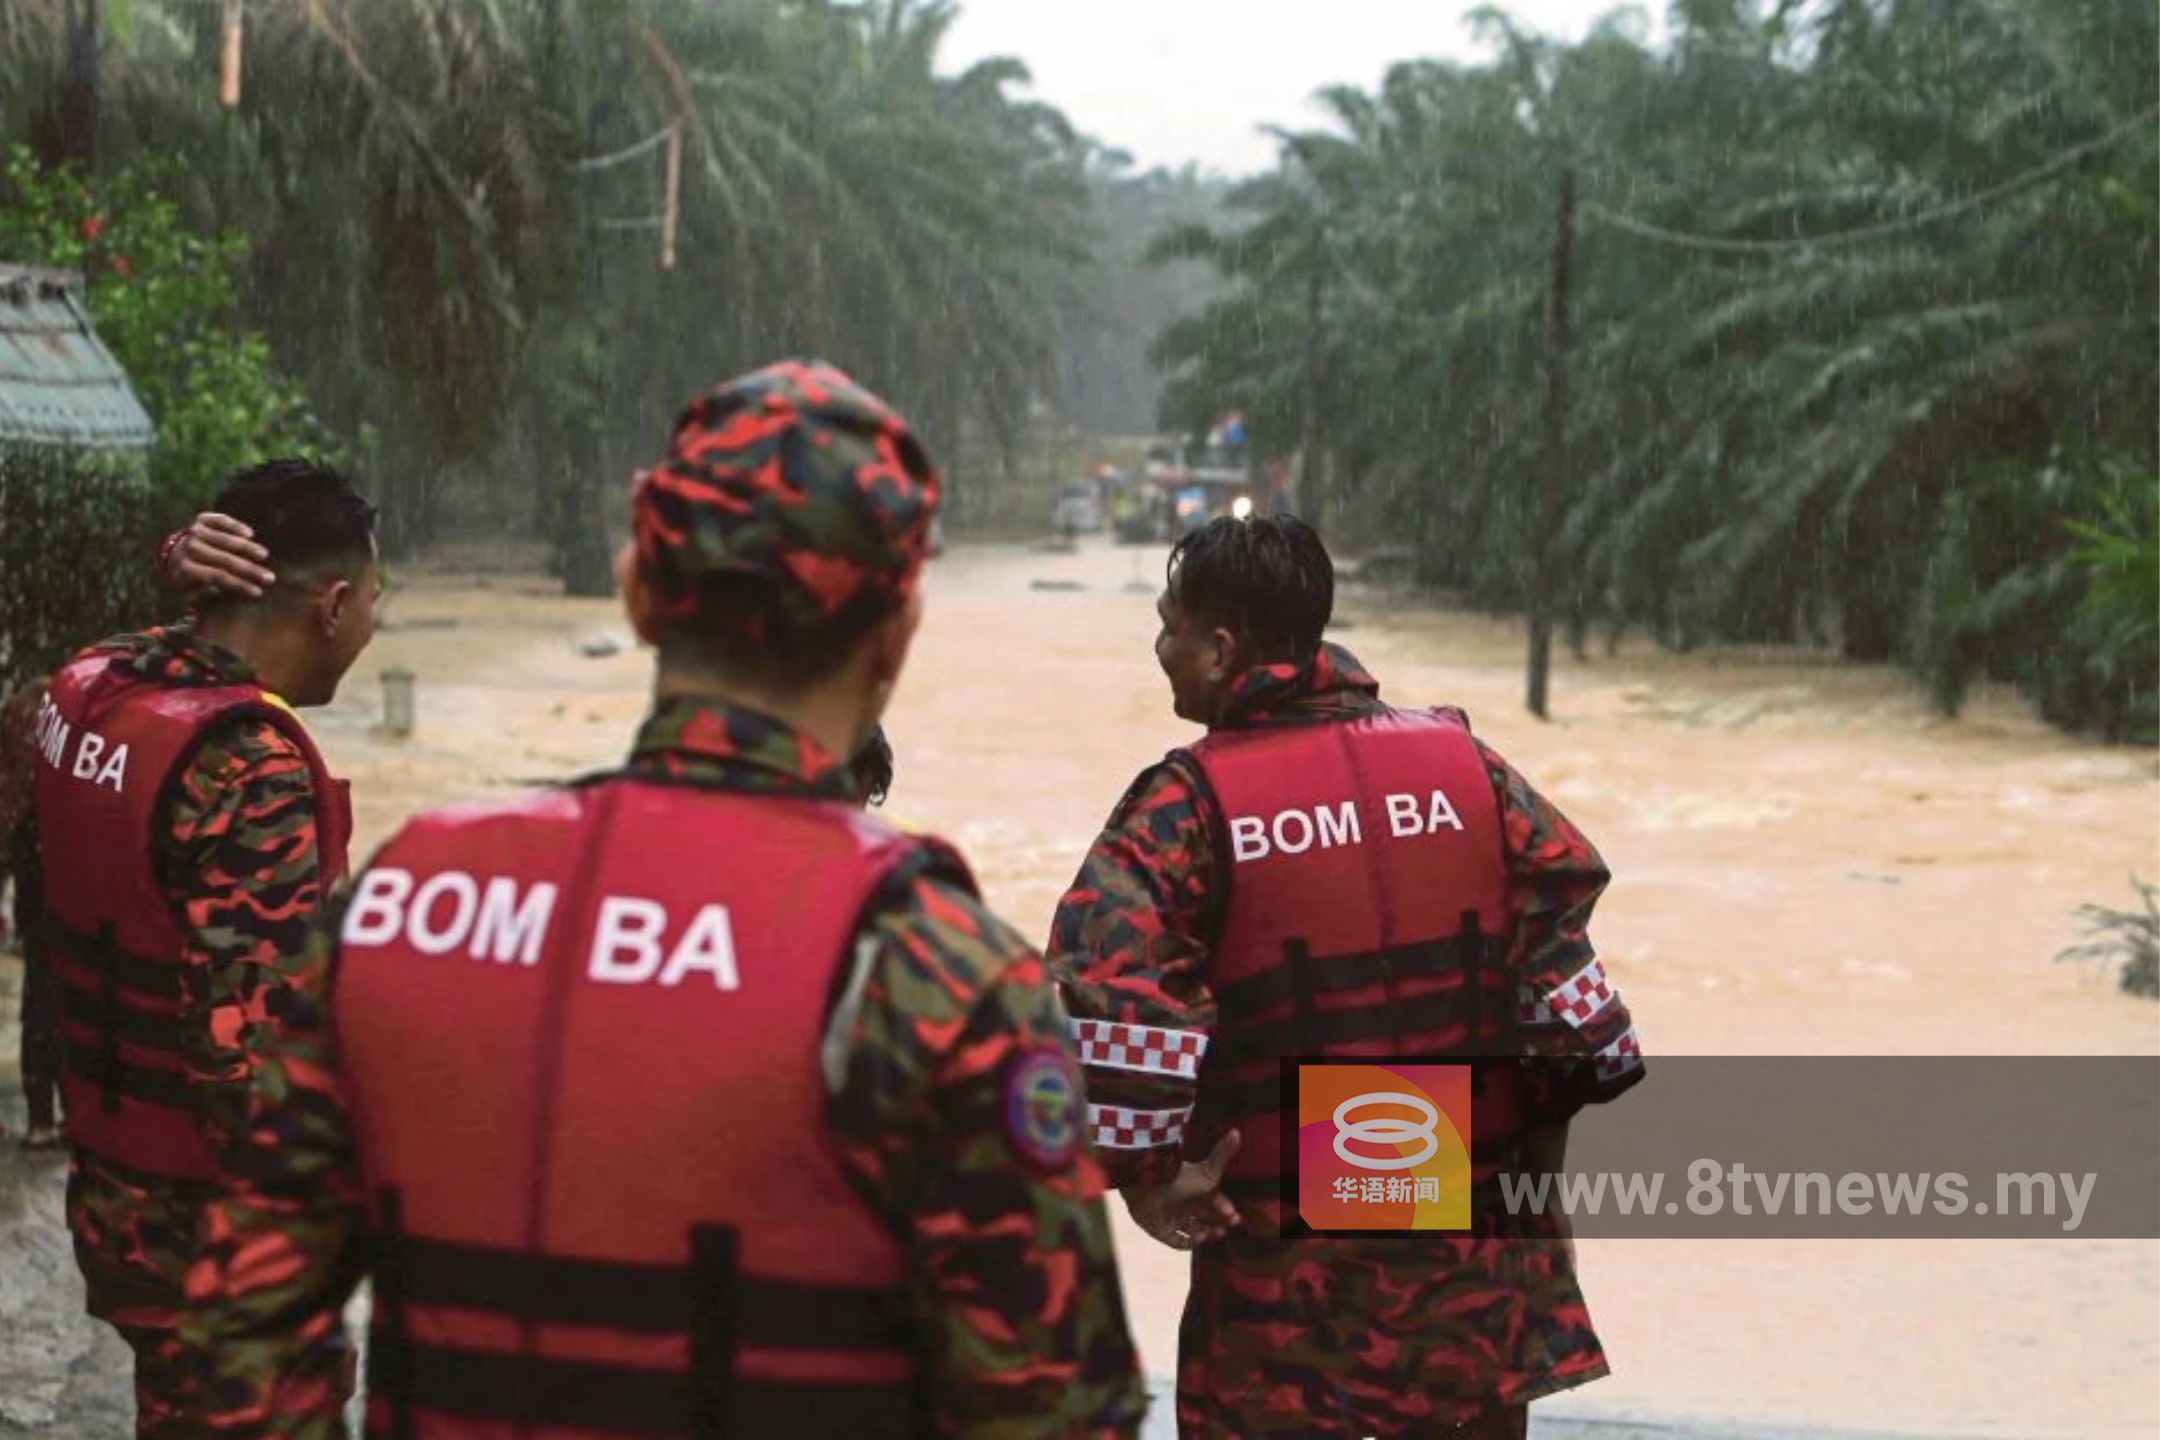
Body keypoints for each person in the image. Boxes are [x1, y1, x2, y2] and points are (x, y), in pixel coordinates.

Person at [190, 360, 1147, 1438]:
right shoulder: (939, 978)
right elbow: (1062, 1415)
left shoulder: (398, 906)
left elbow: (231, 1353)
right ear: (896, 635)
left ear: (638, 593)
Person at [1048, 514, 1644, 1440]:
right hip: (1464, 1245)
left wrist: (1148, 1178)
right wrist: (1539, 1191)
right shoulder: (1470, 770)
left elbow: (1111, 989)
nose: (1158, 648)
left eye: (1167, 626)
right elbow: (1567, 1009)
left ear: (1218, 650)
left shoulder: (1186, 808)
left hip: (1286, 1284)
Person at [29, 458, 380, 1435]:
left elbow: (161, 648)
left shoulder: (90, 689)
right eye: (375, 601)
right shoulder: (250, 770)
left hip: (112, 1192)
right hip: (207, 1227)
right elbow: (248, 1065)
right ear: (336, 604)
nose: (373, 626)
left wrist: (176, 560)